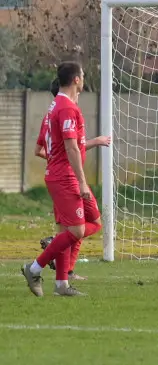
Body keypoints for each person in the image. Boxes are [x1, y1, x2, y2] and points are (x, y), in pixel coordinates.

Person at [22, 63, 106, 297]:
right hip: (65, 176)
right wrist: (80, 182)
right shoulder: (66, 108)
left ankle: (61, 285)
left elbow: (67, 146)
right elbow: (71, 148)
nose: (84, 78)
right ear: (77, 79)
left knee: (81, 226)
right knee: (77, 231)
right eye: (83, 74)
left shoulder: (56, 106)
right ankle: (34, 268)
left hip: (61, 174)